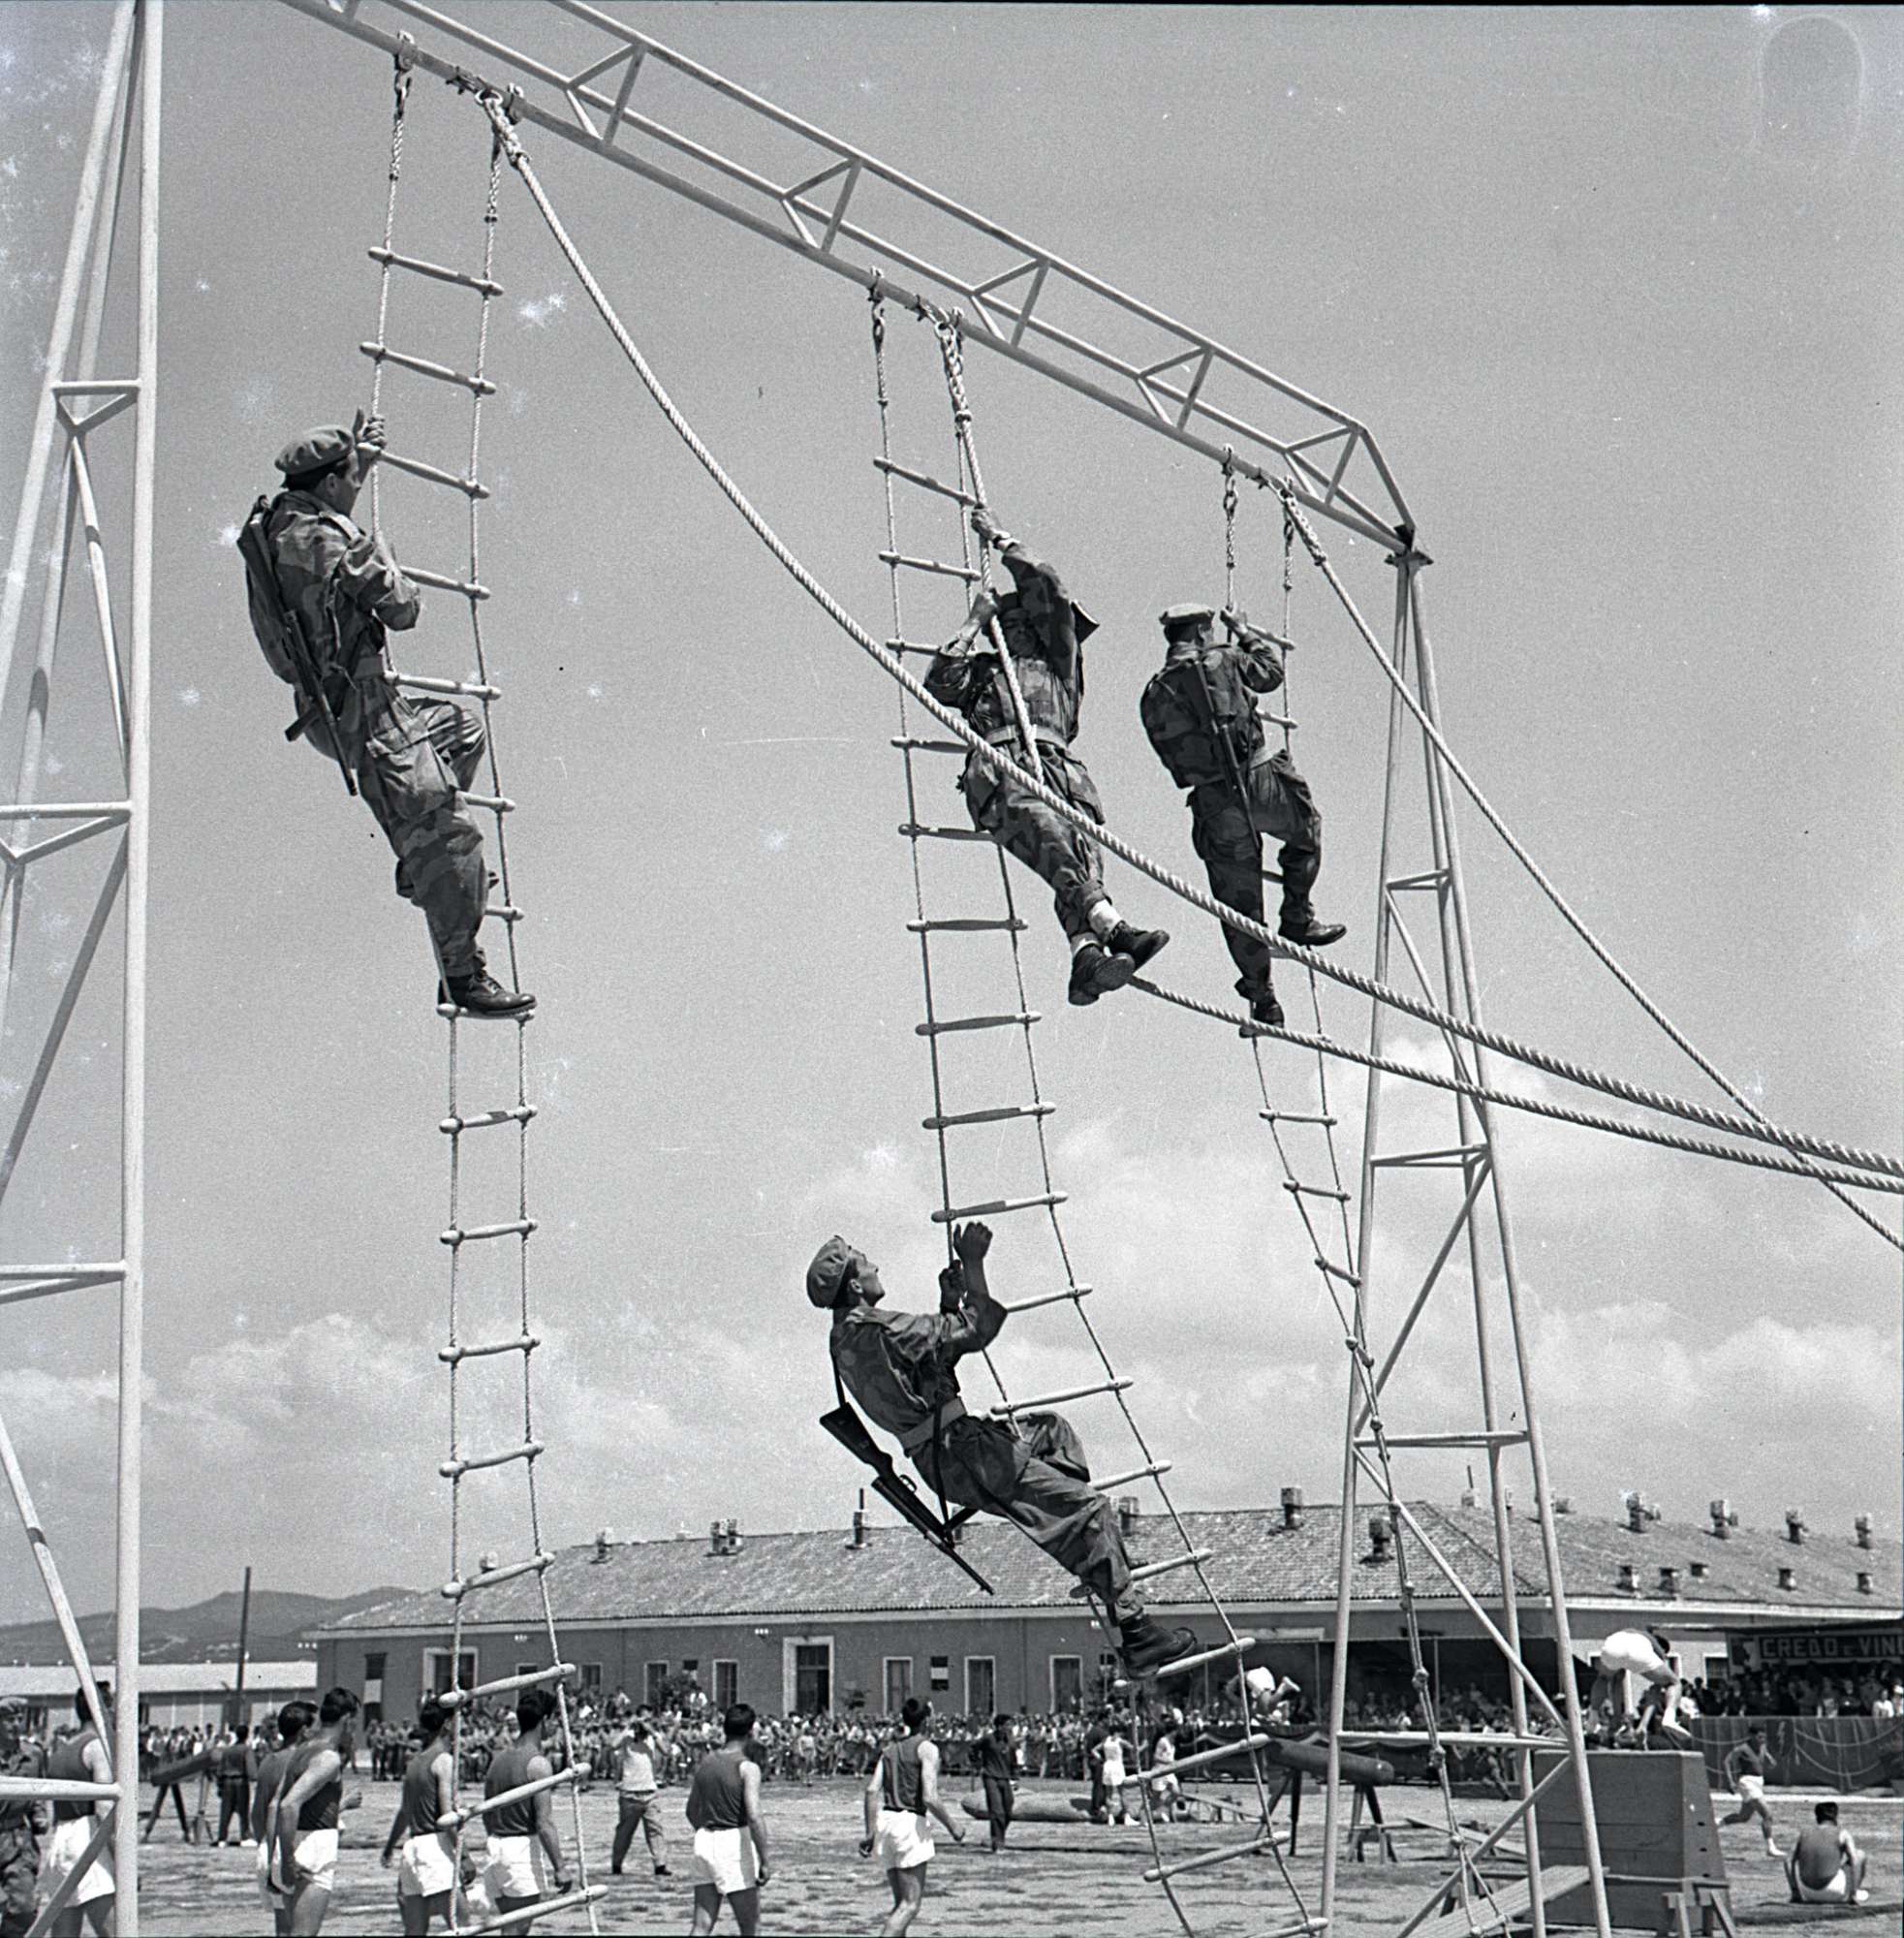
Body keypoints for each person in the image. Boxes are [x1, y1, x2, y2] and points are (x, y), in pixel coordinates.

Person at [809, 1221, 1197, 1679]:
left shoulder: (845, 1339)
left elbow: (927, 1376)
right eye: (865, 1263)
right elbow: (979, 1328)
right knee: (1090, 1508)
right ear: (855, 1286)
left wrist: (946, 1305)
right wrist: (974, 1264)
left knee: (1052, 1431)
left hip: (948, 1453)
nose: (875, 1266)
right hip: (965, 1453)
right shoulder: (880, 1328)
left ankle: (1099, 1558)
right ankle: (1137, 1632)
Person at [249, 418, 532, 1019]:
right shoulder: (332, 542)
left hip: (334, 706)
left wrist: (361, 464)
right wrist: (380, 551)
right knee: (452, 836)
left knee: (460, 730)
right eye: (353, 478)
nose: (358, 485)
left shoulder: (282, 524)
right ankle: (461, 975)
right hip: (366, 713)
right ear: (331, 485)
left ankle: (417, 859)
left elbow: (323, 546)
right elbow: (403, 609)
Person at [924, 507, 1169, 1007]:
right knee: (1051, 839)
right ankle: (1112, 927)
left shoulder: (1058, 663)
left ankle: (1086, 957)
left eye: (1025, 623)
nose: (1021, 630)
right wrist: (974, 623)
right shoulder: (985, 672)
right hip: (1002, 770)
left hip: (1058, 767)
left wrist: (1002, 541)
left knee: (1080, 857)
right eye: (1012, 625)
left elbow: (1050, 590)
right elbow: (940, 684)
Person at [1139, 603, 1345, 1029]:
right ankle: (1297, 917)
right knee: (1306, 831)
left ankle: (1263, 997)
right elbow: (1270, 674)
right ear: (1201, 630)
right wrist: (1245, 632)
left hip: (1213, 801)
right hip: (1258, 780)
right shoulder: (1224, 659)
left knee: (1239, 906)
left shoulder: (1154, 693)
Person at [860, 1698, 964, 1936]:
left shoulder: (889, 1751)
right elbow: (930, 1797)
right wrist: (953, 1826)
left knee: (900, 1904)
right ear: (926, 1720)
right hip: (909, 1823)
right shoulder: (927, 1749)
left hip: (886, 1822)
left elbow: (871, 1791)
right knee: (910, 1905)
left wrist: (869, 1833)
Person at [272, 1686, 360, 1937]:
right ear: (347, 1719)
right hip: (311, 1849)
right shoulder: (328, 1758)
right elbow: (288, 1805)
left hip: (292, 1843)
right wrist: (289, 1860)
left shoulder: (301, 1750)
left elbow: (275, 1804)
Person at [481, 1691, 573, 1919]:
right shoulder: (538, 1764)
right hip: (520, 1850)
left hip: (495, 1847)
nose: (556, 1724)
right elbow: (544, 1822)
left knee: (509, 1925)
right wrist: (560, 1867)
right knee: (517, 1927)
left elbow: (486, 1814)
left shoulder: (497, 1760)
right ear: (544, 1720)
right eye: (554, 1718)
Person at [686, 1704, 770, 1937]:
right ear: (750, 1731)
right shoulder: (747, 1767)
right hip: (734, 1841)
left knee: (702, 1924)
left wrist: (708, 1829)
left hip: (705, 1839)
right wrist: (765, 1859)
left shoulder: (706, 1763)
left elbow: (691, 1811)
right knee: (750, 1926)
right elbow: (754, 1816)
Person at [39, 1687, 113, 1938]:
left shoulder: (61, 1749)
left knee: (64, 1933)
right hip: (88, 1837)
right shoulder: (96, 1747)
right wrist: (123, 1859)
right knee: (116, 1929)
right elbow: (104, 1810)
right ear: (105, 1710)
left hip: (61, 1842)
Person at [382, 1698, 457, 1935]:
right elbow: (447, 1815)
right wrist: (463, 1855)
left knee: (414, 1930)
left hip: (413, 1846)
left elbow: (404, 1812)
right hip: (435, 1846)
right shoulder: (443, 1760)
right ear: (447, 1724)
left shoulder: (414, 1763)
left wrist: (389, 1847)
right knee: (461, 1923)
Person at [253, 1702, 316, 1938]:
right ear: (304, 1731)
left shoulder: (269, 1761)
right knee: (302, 1926)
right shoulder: (305, 1762)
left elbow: (257, 1814)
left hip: (268, 1847)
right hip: (292, 1848)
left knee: (282, 1927)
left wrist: (266, 1850)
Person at [0, 1699, 45, 1938]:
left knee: (25, 1908)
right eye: (9, 1720)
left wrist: (39, 1814)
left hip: (18, 1841)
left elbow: (38, 1791)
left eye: (19, 1719)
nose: (16, 1724)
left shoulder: (33, 1755)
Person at [608, 1717, 671, 1882]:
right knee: (624, 1832)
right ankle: (616, 1864)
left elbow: (666, 1751)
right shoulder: (627, 1738)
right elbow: (613, 1745)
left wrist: (651, 1730)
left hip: (649, 1792)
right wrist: (629, 1726)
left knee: (655, 1830)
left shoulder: (653, 1738)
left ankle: (660, 1865)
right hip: (629, 1792)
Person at [1787, 1800, 1869, 1906]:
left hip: (1807, 1892)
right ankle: (1854, 1894)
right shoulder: (1842, 1833)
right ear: (1835, 1816)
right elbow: (1855, 1860)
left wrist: (1795, 1891)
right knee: (1860, 1854)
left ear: (1817, 1816)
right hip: (1833, 1891)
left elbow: (1787, 1861)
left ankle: (1797, 1892)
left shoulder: (1803, 1834)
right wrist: (1852, 1893)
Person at [1719, 1727, 1782, 1857]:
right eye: (1759, 1737)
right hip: (1747, 1782)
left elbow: (1766, 1759)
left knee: (1743, 1817)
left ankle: (1717, 1823)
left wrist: (1770, 1760)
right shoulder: (1742, 1749)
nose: (1762, 1740)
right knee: (1767, 1815)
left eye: (1764, 1737)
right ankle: (1770, 1848)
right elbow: (1727, 1761)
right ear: (1751, 1736)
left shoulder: (1762, 1747)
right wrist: (1730, 1781)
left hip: (1759, 1782)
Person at [974, 1714, 1015, 1853]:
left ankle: (995, 1836)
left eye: (1011, 1725)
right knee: (997, 1810)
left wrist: (1015, 1777)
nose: (1010, 1728)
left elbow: (1013, 1759)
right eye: (1007, 1725)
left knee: (1008, 1810)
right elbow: (973, 1748)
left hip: (1005, 1777)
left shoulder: (1010, 1740)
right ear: (999, 1726)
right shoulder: (988, 1739)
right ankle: (998, 1842)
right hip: (990, 1776)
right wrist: (978, 1765)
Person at [213, 1724, 251, 1847]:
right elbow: (251, 1769)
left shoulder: (227, 1750)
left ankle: (222, 1837)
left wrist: (219, 1785)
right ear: (246, 1735)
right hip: (241, 1781)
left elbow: (220, 1769)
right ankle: (245, 1836)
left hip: (227, 1781)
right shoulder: (246, 1750)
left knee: (225, 1811)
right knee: (243, 1811)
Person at [1095, 1722, 1131, 1826]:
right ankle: (1127, 1817)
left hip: (1108, 1766)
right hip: (1117, 1766)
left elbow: (1094, 1750)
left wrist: (1099, 1757)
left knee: (1109, 1793)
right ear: (1117, 1732)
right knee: (1122, 1792)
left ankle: (1110, 1817)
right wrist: (1144, 1745)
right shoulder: (1120, 1741)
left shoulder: (1106, 1741)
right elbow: (1133, 1748)